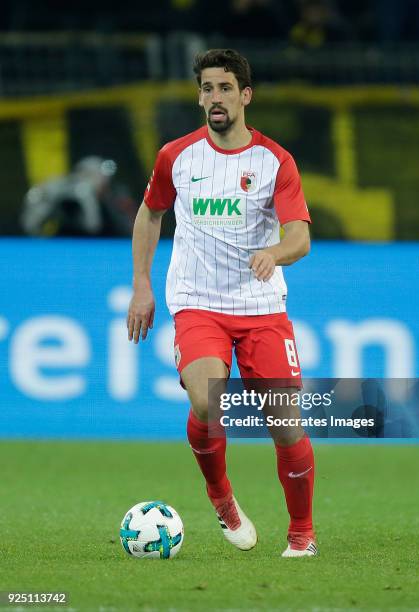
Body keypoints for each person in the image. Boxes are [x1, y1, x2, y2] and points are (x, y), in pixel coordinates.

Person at [127, 48, 316, 558]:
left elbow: (299, 237)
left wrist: (274, 252)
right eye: (207, 88)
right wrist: (142, 285)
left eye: (225, 88)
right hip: (197, 303)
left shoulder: (274, 161)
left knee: (285, 422)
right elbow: (150, 215)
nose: (215, 98)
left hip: (261, 309)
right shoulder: (176, 156)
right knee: (206, 401)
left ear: (245, 96)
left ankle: (301, 533)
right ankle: (222, 499)